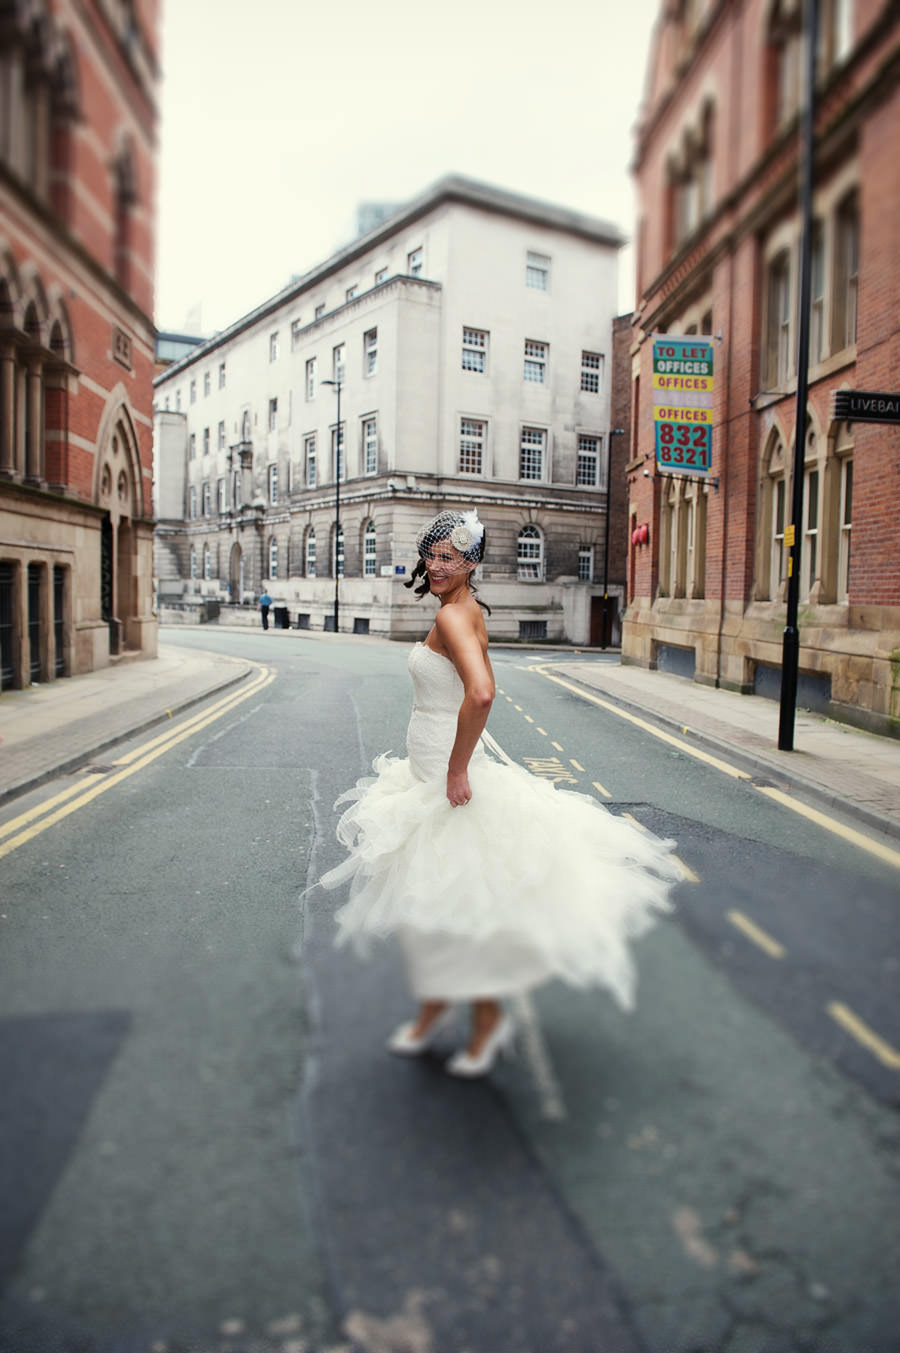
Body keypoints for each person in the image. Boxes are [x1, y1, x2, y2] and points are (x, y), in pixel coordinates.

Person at [316, 508, 681, 1077]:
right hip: (428, 766)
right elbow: (482, 682)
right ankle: (435, 1007)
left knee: (455, 907)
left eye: (451, 558)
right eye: (432, 555)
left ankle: (485, 1021)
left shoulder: (456, 618)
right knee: (434, 905)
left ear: (472, 563)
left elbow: (482, 693)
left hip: (443, 774)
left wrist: (458, 768)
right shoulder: (463, 610)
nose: (437, 566)